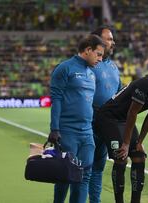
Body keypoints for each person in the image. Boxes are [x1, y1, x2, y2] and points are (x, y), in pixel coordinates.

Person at [94, 63, 148, 203]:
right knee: (121, 157)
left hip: (124, 119)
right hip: (109, 117)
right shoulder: (146, 85)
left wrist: (139, 142)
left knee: (139, 156)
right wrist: (126, 143)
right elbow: (132, 113)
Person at [47, 34, 105, 203]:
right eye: (98, 54)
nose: (101, 59)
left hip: (87, 132)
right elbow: (56, 99)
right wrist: (54, 128)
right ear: (88, 50)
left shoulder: (92, 74)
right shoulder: (65, 69)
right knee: (65, 175)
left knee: (84, 175)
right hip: (67, 131)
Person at [88, 26, 122, 203]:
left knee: (98, 169)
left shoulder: (114, 67)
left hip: (106, 127)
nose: (113, 42)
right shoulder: (88, 65)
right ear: (97, 41)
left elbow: (119, 95)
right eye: (109, 39)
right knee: (81, 168)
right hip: (87, 125)